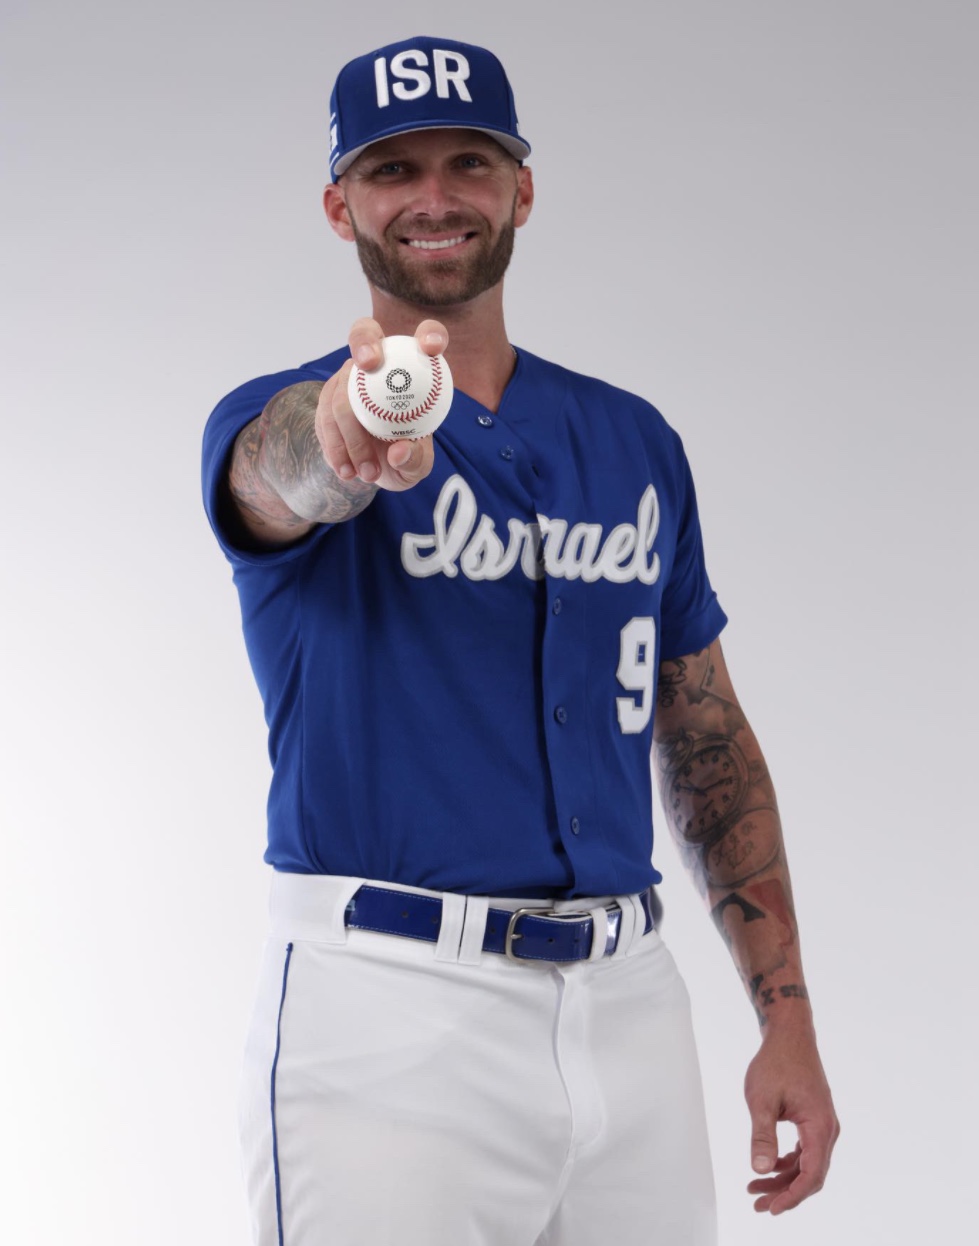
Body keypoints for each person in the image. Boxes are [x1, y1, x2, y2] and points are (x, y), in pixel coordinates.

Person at [202, 34, 838, 1246]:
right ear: (340, 204)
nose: (433, 198)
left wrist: (784, 1015)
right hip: (387, 1014)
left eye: (467, 163)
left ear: (520, 190)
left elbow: (702, 731)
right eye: (392, 171)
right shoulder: (271, 415)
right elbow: (279, 474)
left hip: (628, 1008)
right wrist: (338, 426)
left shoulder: (631, 438)